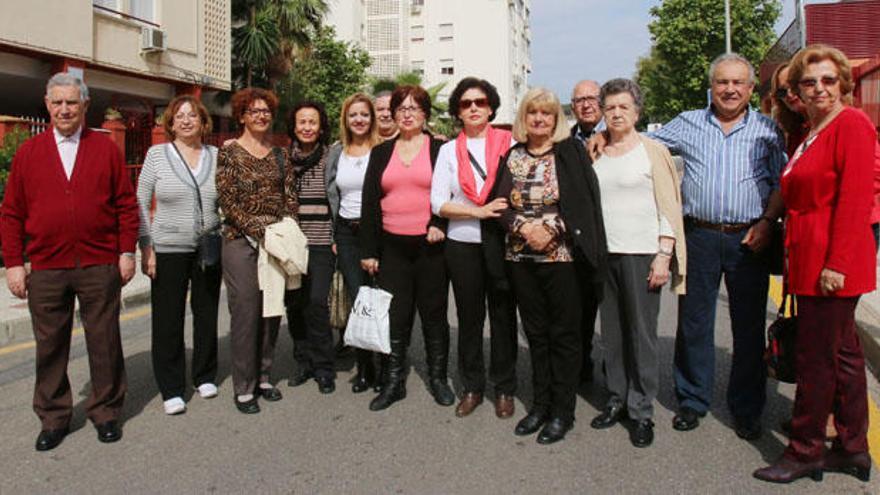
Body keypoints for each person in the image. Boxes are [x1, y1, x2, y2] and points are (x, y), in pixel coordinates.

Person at [754, 44, 876, 484]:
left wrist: (837, 263)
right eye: (809, 82)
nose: (819, 88)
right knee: (843, 357)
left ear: (843, 83)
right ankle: (852, 447)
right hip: (809, 258)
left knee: (815, 361)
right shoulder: (814, 130)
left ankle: (805, 450)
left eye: (827, 79)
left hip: (831, 264)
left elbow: (856, 200)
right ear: (797, 91)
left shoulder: (852, 125)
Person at [648, 53, 786, 440]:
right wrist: (604, 139)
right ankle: (692, 400)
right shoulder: (687, 123)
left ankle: (746, 408)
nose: (729, 89)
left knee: (747, 328)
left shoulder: (767, 130)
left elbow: (780, 183)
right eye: (722, 82)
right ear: (711, 86)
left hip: (750, 239)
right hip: (699, 237)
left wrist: (767, 223)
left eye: (737, 83)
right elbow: (643, 147)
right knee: (693, 323)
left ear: (749, 88)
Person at [1, 72, 138, 450]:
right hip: (46, 267)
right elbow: (11, 213)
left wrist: (126, 252)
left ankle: (106, 411)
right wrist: (15, 262)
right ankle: (53, 417)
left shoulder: (105, 148)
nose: (64, 109)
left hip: (99, 264)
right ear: (47, 104)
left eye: (71, 102)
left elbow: (126, 205)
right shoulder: (29, 153)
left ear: (84, 106)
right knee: (50, 346)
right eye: (58, 102)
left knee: (104, 341)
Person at [491, 87, 606, 444]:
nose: (539, 119)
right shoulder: (513, 156)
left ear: (556, 120)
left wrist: (550, 230)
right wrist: (523, 227)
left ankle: (562, 411)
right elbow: (499, 203)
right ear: (524, 119)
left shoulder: (570, 152)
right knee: (537, 335)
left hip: (562, 260)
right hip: (520, 258)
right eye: (533, 113)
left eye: (547, 114)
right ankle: (540, 405)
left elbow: (584, 204)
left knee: (564, 337)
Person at [587, 79, 686, 448]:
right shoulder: (594, 151)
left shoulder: (652, 151)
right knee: (612, 333)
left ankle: (642, 410)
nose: (615, 113)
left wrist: (664, 254)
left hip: (642, 254)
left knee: (641, 335)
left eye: (623, 107)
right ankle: (617, 398)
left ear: (636, 112)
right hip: (605, 255)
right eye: (609, 107)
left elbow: (668, 205)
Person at [360, 84, 453, 411]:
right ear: (393, 114)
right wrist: (369, 250)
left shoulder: (440, 149)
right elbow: (370, 202)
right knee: (395, 318)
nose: (408, 114)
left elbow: (451, 194)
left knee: (434, 314)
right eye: (402, 109)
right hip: (392, 247)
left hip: (430, 247)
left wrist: (439, 224)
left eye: (414, 108)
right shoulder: (381, 152)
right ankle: (394, 381)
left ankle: (438, 378)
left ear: (425, 113)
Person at [431, 77, 518, 419]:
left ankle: (505, 387)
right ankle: (472, 386)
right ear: (457, 111)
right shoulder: (449, 150)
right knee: (469, 318)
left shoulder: (511, 143)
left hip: (502, 240)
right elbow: (439, 202)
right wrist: (477, 211)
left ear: (491, 106)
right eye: (466, 104)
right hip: (462, 243)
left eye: (479, 102)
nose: (473, 108)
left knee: (503, 316)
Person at [137, 95, 221, 415]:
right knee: (168, 318)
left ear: (203, 121)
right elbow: (141, 201)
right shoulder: (157, 155)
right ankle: (171, 387)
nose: (186, 121)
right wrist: (147, 246)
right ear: (170, 124)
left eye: (192, 115)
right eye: (179, 117)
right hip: (168, 248)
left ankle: (204, 375)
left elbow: (226, 197)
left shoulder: (216, 155)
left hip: (208, 246)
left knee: (207, 312)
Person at [217, 88, 298, 414]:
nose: (261, 115)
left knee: (271, 310)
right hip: (241, 241)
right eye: (254, 111)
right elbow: (227, 199)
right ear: (242, 116)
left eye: (265, 111)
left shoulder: (280, 154)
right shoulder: (229, 152)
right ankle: (244, 385)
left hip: (276, 240)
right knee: (247, 312)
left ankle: (264, 376)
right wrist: (258, 231)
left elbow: (290, 197)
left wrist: (283, 230)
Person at [284, 101, 337, 394]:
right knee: (294, 304)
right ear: (294, 125)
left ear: (320, 126)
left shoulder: (331, 157)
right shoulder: (283, 158)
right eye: (302, 122)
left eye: (312, 122)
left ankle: (324, 367)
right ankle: (303, 361)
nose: (307, 127)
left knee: (316, 303)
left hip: (321, 242)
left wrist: (336, 238)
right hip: (291, 244)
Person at [569, 78, 603, 385]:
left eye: (593, 98)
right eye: (580, 100)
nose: (587, 104)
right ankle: (581, 364)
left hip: (618, 240)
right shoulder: (563, 143)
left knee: (620, 313)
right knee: (580, 309)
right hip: (578, 243)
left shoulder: (621, 140)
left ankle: (619, 372)